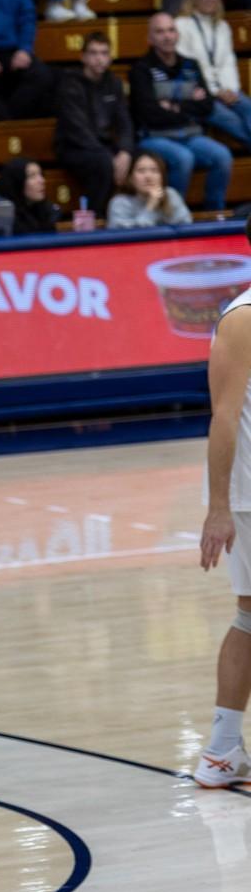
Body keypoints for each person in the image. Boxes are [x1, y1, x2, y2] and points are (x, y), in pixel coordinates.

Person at [195, 236, 251, 787]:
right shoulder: (244, 317)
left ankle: (221, 750)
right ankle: (218, 749)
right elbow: (224, 417)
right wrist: (218, 509)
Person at [129, 11, 232, 209]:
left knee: (222, 156)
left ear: (177, 34)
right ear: (150, 38)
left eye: (171, 30)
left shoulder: (191, 65)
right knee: (183, 158)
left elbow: (207, 106)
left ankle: (214, 215)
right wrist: (189, 102)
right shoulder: (141, 70)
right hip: (155, 137)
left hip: (191, 135)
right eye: (160, 32)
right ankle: (173, 215)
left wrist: (173, 106)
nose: (167, 36)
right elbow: (148, 113)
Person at [54, 31, 134, 214]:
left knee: (143, 158)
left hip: (105, 146)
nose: (99, 59)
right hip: (73, 147)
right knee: (102, 163)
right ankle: (95, 217)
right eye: (93, 53)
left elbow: (125, 122)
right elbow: (77, 129)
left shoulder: (114, 83)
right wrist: (109, 157)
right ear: (83, 57)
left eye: (104, 53)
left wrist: (125, 151)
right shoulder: (70, 84)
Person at [175, 0, 251, 149]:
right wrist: (216, 92)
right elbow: (189, 68)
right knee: (231, 120)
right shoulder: (180, 25)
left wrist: (230, 90)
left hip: (226, 90)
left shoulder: (223, 26)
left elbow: (228, 62)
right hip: (199, 94)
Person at [105, 149, 192, 228]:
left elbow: (185, 226)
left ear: (162, 176)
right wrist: (151, 206)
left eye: (154, 170)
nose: (148, 176)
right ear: (130, 178)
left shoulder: (170, 194)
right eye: (141, 171)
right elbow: (132, 237)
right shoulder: (119, 203)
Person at [0, 157, 60, 234]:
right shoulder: (1, 220)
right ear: (17, 182)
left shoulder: (46, 212)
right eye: (32, 176)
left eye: (41, 174)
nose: (42, 180)